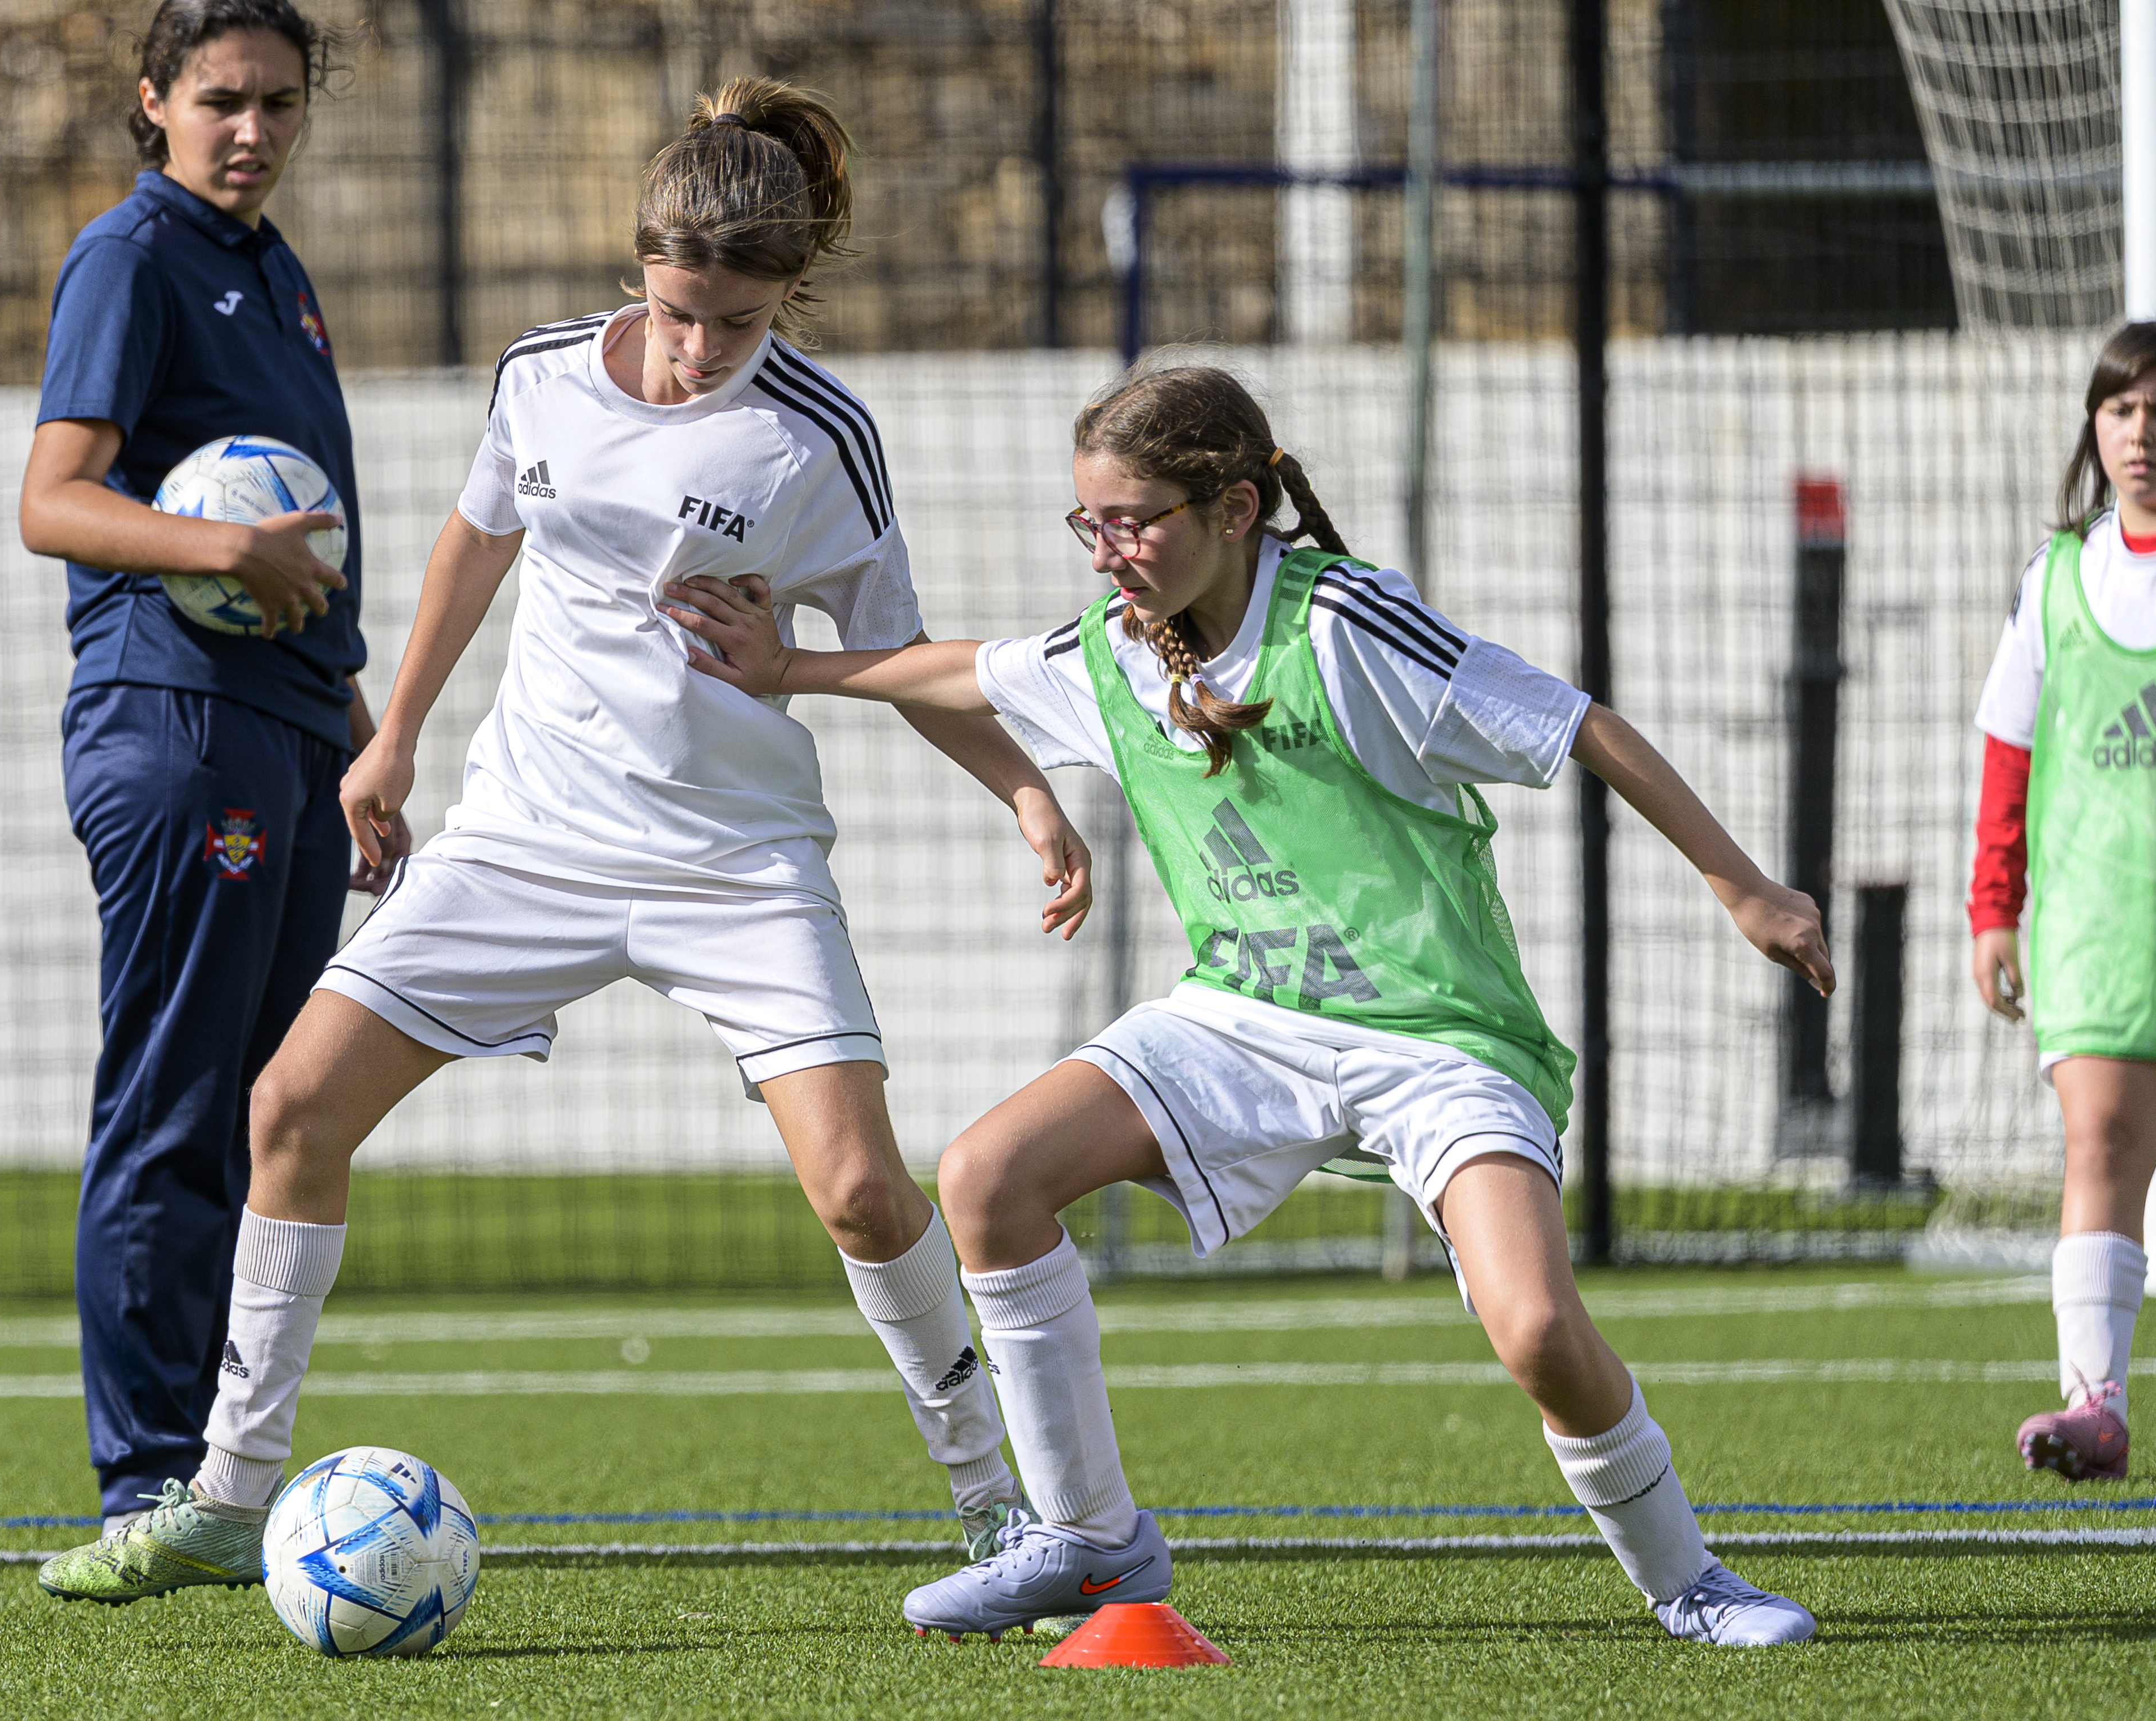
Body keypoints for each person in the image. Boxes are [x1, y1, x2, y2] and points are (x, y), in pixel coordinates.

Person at [63, 76, 1090, 1603]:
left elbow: (897, 651)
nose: (696, 352)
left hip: (731, 862)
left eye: (733, 326)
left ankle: (998, 1510)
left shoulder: (819, 441)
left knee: (866, 1191)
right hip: (524, 840)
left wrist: (1018, 786)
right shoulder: (540, 378)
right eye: (678, 314)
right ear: (641, 273)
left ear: (782, 301)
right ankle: (223, 1492)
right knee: (290, 1106)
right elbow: (476, 542)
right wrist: (394, 737)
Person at [665, 363, 1833, 1647]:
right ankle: (1090, 1543)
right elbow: (963, 670)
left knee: (1539, 1327)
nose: (1109, 551)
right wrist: (788, 666)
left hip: (1437, 1042)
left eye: (1135, 520)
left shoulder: (1349, 627)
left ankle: (1690, 1584)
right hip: (1241, 1020)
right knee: (987, 1175)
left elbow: (1577, 725)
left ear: (1234, 507)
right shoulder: (1111, 651)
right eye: (1090, 524)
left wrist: (1746, 887)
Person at [21, 0, 405, 1596]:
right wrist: (220, 549)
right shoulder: (132, 256)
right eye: (224, 101)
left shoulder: (279, 273)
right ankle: (148, 1474)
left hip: (289, 727)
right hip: (175, 727)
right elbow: (52, 500)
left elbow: (304, 566)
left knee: (275, 1108)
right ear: (154, 102)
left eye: (281, 104)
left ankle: (229, 1472)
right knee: (182, 1101)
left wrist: (359, 730)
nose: (253, 130)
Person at [1968, 312, 2156, 1484]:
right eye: (2120, 410)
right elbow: (2006, 751)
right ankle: (2094, 1405)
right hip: (2105, 921)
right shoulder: (2059, 574)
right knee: (2099, 1140)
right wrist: (1990, 908)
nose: (2140, 434)